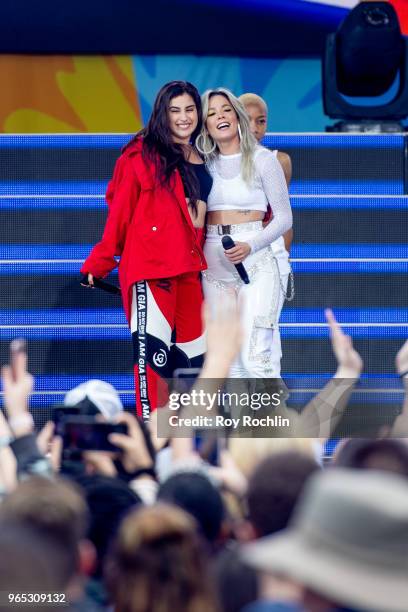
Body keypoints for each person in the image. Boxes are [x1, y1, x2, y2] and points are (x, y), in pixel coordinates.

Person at [80, 81, 212, 420]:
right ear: (162, 114)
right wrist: (101, 260)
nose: (184, 118)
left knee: (192, 366)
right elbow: (120, 212)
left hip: (191, 273)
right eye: (175, 110)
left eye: (190, 109)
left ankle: (183, 448)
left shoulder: (204, 155)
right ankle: (154, 446)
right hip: (152, 270)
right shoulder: (141, 154)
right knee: (155, 365)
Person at [196, 88, 292, 379]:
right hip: (214, 267)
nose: (220, 117)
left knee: (257, 355)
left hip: (258, 261)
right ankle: (240, 426)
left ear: (236, 116)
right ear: (206, 125)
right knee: (226, 359)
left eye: (225, 109)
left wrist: (251, 246)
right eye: (211, 113)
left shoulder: (264, 159)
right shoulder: (201, 164)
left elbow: (284, 217)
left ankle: (267, 424)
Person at [238, 92, 294, 379]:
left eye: (261, 121)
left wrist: (279, 264)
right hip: (232, 260)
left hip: (268, 255)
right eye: (249, 121)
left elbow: (284, 217)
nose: (256, 128)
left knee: (265, 336)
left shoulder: (278, 161)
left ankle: (268, 412)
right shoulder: (215, 161)